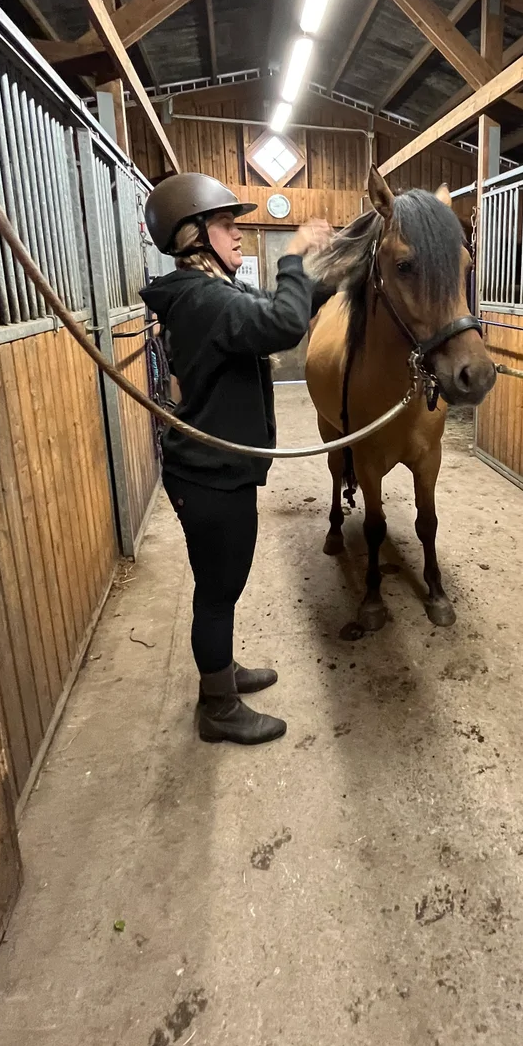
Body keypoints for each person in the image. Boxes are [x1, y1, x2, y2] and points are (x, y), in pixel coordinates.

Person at [141, 173, 331, 745]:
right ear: (193, 235)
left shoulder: (209, 292)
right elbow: (283, 322)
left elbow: (275, 306)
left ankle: (219, 677)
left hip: (212, 471)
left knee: (220, 588)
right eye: (227, 225)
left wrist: (335, 275)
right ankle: (218, 710)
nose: (239, 234)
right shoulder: (203, 298)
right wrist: (294, 255)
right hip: (208, 475)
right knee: (218, 591)